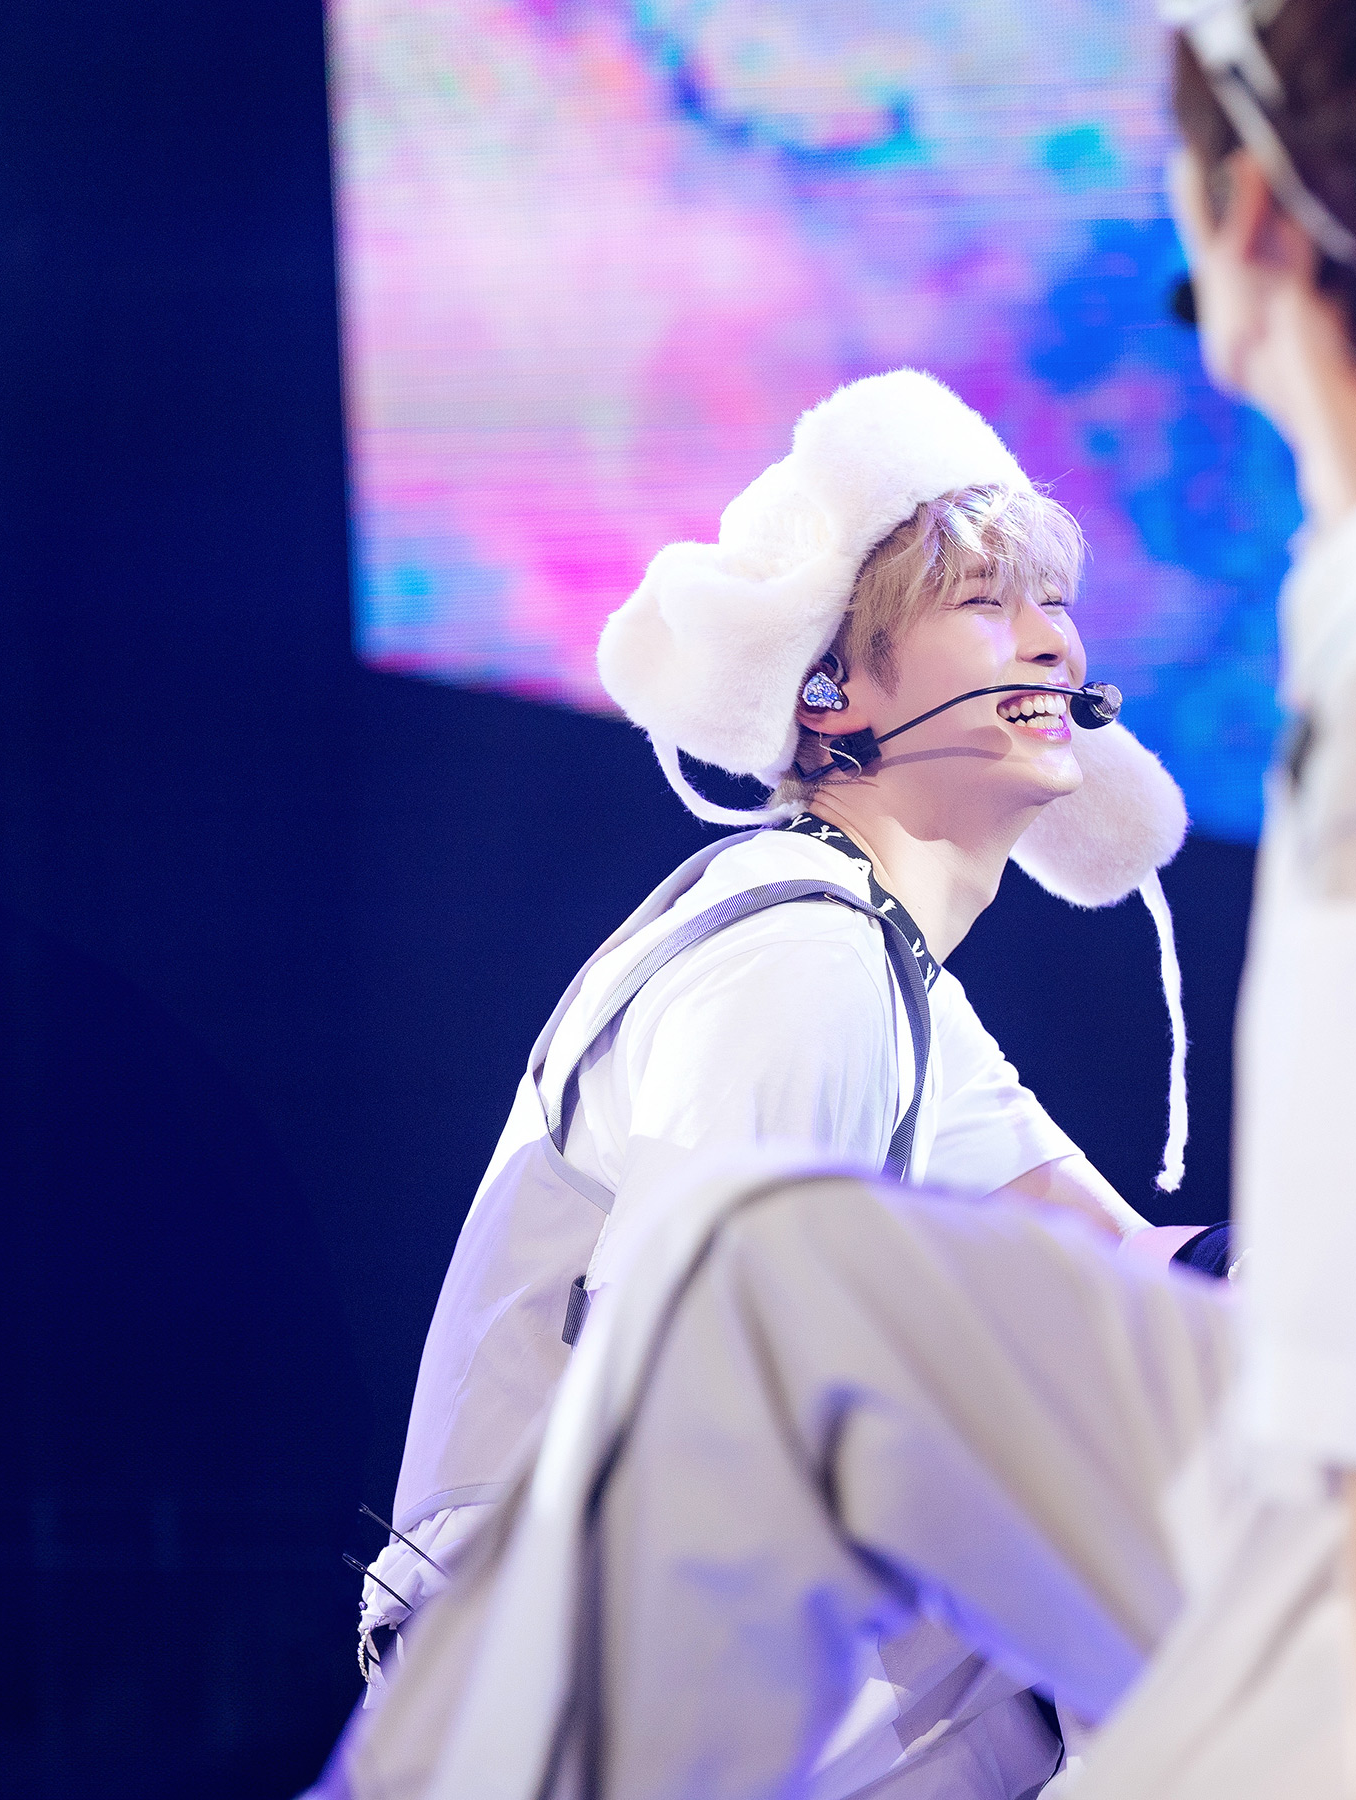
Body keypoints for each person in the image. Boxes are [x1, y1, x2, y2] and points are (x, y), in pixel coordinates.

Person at [325, 3, 1356, 1797]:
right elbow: (1106, 1265)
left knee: (778, 1303)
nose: (1051, 642)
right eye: (989, 604)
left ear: (1252, 221)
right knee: (786, 1294)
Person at [342, 368, 1198, 1800]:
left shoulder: (879, 967)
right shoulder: (799, 957)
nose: (1052, 639)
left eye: (1055, 603)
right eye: (986, 602)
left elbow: (1136, 1279)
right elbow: (685, 1414)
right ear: (831, 689)